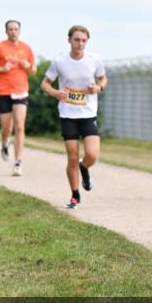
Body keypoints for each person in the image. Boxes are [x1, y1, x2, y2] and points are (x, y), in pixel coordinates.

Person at [41, 26, 107, 209]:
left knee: (92, 155)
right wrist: (55, 93)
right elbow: (45, 84)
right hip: (68, 114)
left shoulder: (94, 60)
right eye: (77, 40)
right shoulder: (60, 61)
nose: (80, 44)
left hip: (88, 113)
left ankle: (84, 167)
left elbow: (103, 78)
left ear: (87, 41)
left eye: (84, 40)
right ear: (69, 40)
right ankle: (75, 195)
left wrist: (98, 88)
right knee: (72, 156)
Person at [0, 20, 36, 176]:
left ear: (20, 31)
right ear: (6, 31)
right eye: (10, 29)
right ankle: (5, 143)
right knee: (6, 129)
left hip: (21, 91)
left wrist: (28, 67)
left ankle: (18, 162)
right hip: (3, 91)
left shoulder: (26, 48)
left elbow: (34, 71)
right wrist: (1, 68)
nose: (13, 32)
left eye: (16, 29)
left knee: (19, 126)